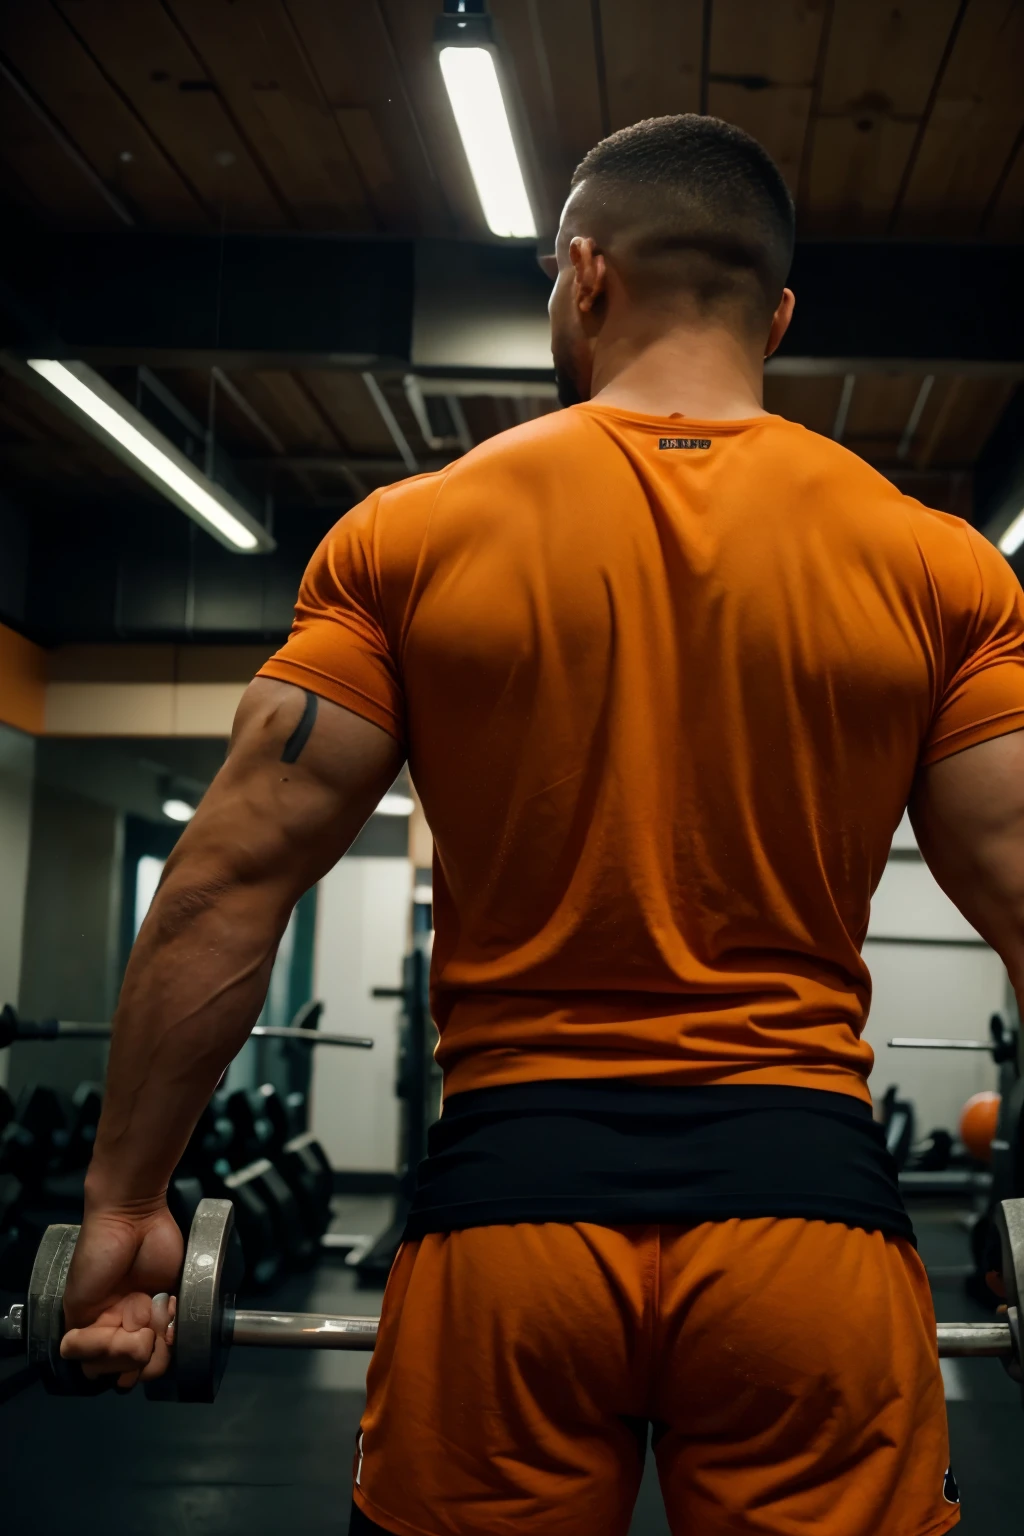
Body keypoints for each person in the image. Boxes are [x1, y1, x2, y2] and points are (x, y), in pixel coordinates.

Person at [59, 114, 1024, 1536]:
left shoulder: (412, 536)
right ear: (779, 311)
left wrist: (124, 1202)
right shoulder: (935, 566)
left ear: (585, 276)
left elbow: (226, 883)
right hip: (806, 1228)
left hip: (510, 1222)